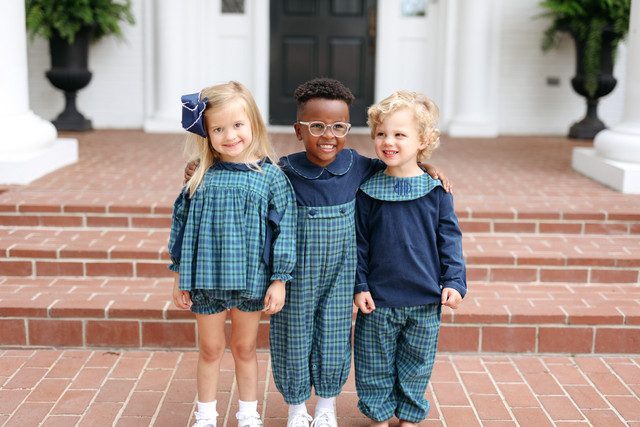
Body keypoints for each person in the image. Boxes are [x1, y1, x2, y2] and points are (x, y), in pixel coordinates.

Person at [184, 78, 451, 427]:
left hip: (340, 276)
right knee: (293, 337)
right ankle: (297, 409)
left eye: (338, 127)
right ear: (298, 130)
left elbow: (399, 164)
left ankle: (326, 407)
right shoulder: (282, 172)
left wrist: (429, 167)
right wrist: (200, 168)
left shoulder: (357, 165)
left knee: (335, 337)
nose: (328, 135)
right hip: (296, 277)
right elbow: (243, 172)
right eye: (317, 127)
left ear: (348, 129)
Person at [169, 81, 297, 427]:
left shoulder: (270, 177)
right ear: (206, 133)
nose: (230, 135)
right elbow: (181, 227)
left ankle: (248, 415)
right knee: (210, 349)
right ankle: (206, 416)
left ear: (253, 123)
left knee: (244, 348)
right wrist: (180, 274)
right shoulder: (200, 176)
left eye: (238, 125)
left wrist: (280, 279)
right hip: (205, 278)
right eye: (218, 128)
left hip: (250, 279)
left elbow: (285, 231)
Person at [353, 90, 466, 426]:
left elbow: (450, 241)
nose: (389, 141)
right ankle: (379, 415)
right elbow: (358, 244)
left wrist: (455, 282)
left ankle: (410, 415)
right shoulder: (367, 191)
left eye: (400, 134)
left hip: (424, 297)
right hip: (380, 298)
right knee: (374, 363)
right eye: (381, 133)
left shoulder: (435, 192)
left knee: (416, 363)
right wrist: (360, 285)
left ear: (423, 141)